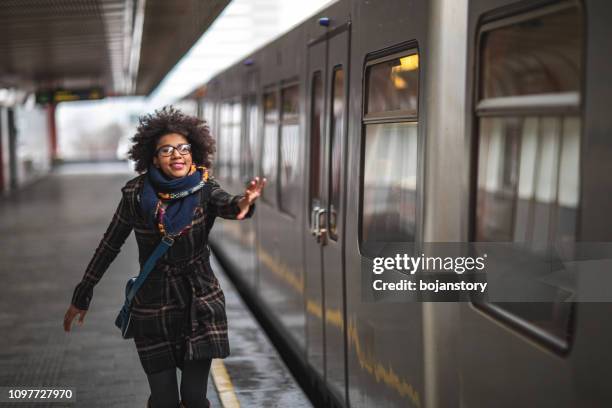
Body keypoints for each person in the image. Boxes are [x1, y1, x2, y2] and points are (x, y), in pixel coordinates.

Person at [63, 106, 266, 408]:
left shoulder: (204, 189)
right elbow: (109, 245)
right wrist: (83, 294)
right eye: (167, 150)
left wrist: (245, 202)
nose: (177, 155)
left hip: (200, 304)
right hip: (153, 308)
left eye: (184, 148)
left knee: (195, 398)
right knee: (165, 399)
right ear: (153, 158)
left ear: (194, 152)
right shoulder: (135, 195)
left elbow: (230, 206)